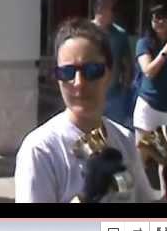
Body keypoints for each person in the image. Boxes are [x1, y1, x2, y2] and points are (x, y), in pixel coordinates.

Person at [15, 18, 158, 203]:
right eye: (67, 72)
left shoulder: (126, 141)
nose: (79, 83)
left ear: (109, 74)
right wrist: (85, 197)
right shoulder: (41, 150)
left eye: (91, 70)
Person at [133, 3, 167, 200]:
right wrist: (166, 50)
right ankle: (135, 197)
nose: (158, 21)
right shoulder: (145, 43)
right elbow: (149, 71)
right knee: (141, 157)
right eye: (155, 17)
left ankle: (166, 198)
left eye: (163, 17)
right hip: (148, 107)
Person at [92, 0, 132, 125]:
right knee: (91, 132)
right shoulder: (85, 31)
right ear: (98, 9)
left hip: (114, 95)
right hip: (91, 92)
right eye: (109, 8)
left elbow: (127, 64)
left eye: (112, 8)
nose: (112, 12)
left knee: (115, 133)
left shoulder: (120, 34)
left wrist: (125, 89)